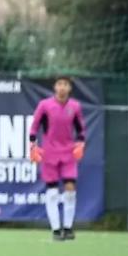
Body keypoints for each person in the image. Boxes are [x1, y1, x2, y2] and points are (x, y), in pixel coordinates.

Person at [29, 76, 87, 241]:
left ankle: (68, 228)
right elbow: (34, 127)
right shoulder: (45, 105)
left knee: (70, 188)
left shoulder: (75, 106)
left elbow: (80, 129)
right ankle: (56, 229)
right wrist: (33, 146)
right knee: (52, 192)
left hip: (68, 153)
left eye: (66, 85)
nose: (62, 87)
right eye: (59, 84)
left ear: (70, 88)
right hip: (49, 154)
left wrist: (81, 144)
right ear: (55, 87)